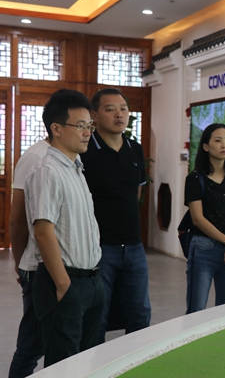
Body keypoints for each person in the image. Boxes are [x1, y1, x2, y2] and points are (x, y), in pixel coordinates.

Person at [24, 89, 104, 367]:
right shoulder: (48, 171)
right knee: (64, 365)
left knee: (89, 360)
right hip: (65, 281)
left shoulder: (75, 168)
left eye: (89, 126)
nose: (87, 132)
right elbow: (43, 231)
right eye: (80, 126)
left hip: (91, 281)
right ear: (56, 129)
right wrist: (63, 285)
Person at [80, 88, 150, 343]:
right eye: (110, 109)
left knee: (140, 314)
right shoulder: (86, 150)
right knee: (98, 315)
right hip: (99, 247)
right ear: (94, 116)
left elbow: (136, 192)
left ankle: (137, 361)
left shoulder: (135, 149)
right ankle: (96, 363)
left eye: (123, 109)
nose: (119, 114)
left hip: (134, 246)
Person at [185, 123, 225, 313]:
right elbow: (197, 218)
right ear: (206, 146)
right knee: (196, 310)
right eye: (218, 140)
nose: (224, 145)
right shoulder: (195, 178)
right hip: (204, 248)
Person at [8, 139, 49, 378]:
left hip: (63, 266)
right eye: (80, 125)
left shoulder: (73, 158)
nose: (86, 132)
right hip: (36, 267)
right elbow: (17, 220)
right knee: (31, 345)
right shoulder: (36, 157)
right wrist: (19, 263)